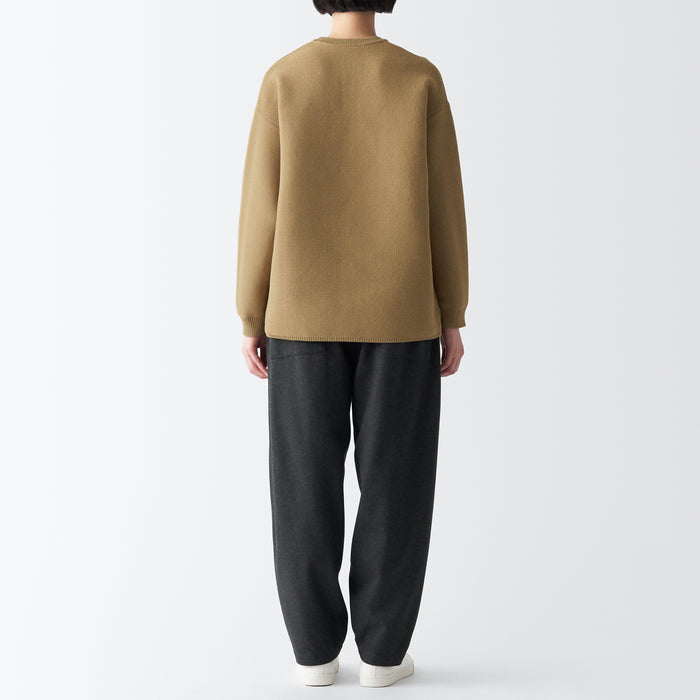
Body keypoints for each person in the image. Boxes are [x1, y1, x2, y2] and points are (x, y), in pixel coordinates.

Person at [235, 0, 468, 688]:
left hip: (299, 315)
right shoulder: (418, 79)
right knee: (397, 485)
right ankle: (383, 656)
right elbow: (445, 205)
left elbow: (260, 207)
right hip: (402, 314)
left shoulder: (286, 78)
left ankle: (313, 655)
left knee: (302, 489)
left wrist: (251, 314)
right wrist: (451, 310)